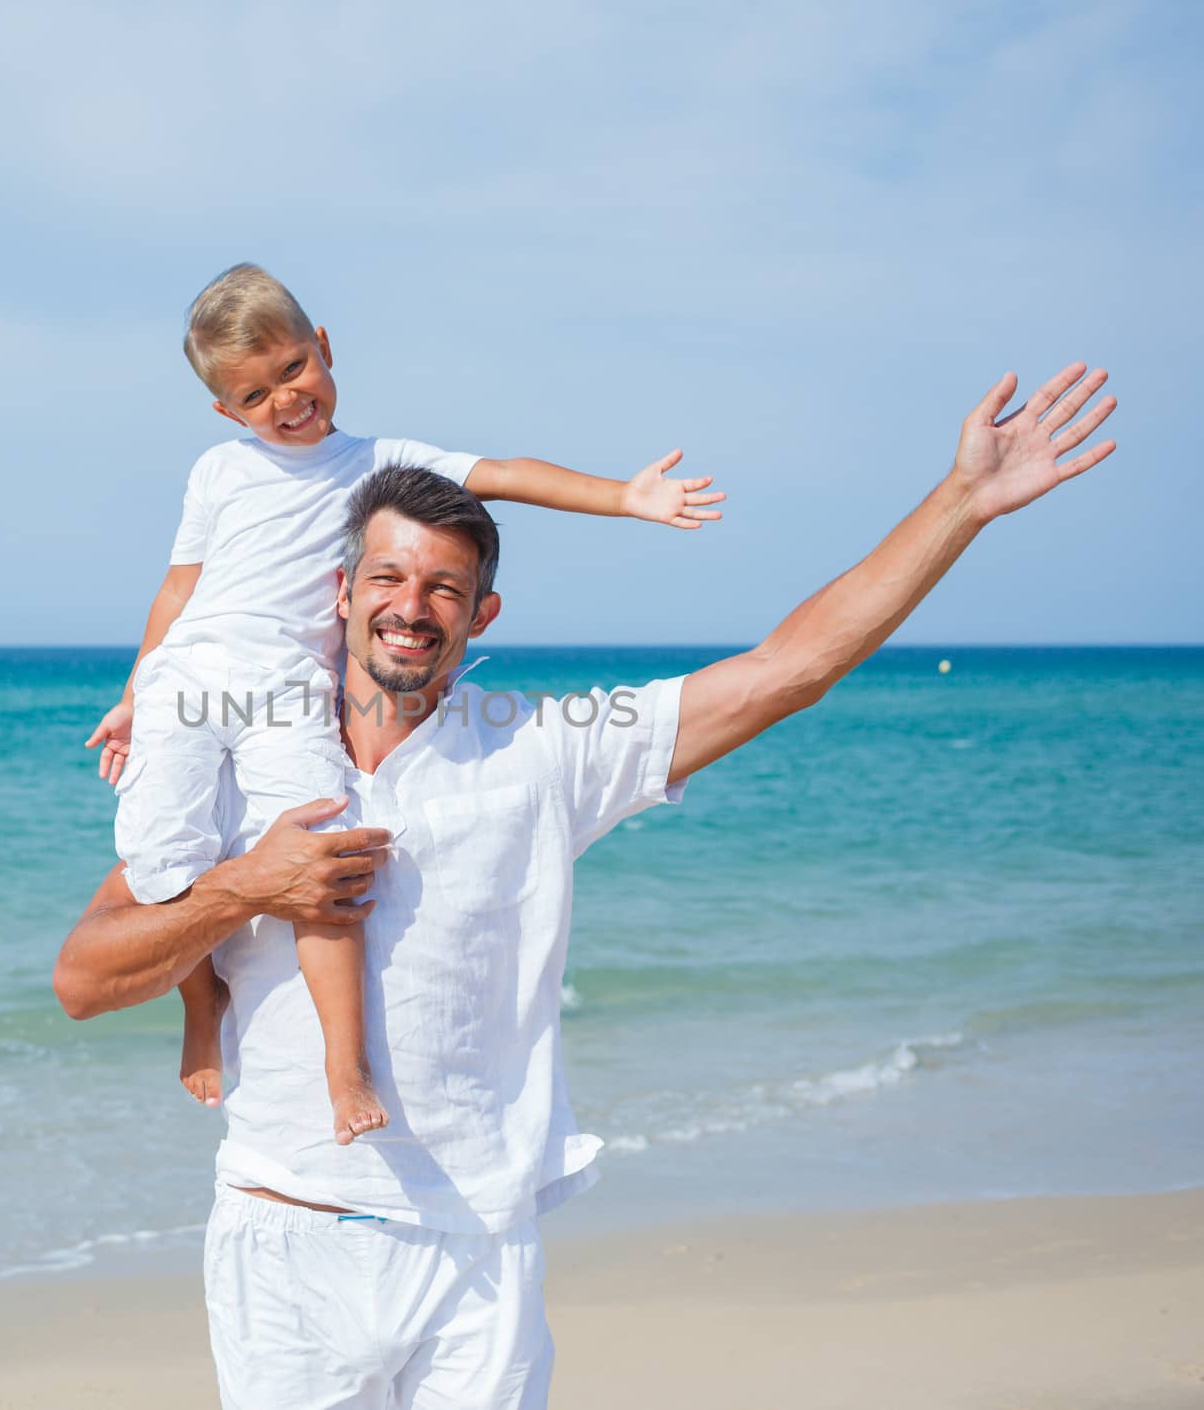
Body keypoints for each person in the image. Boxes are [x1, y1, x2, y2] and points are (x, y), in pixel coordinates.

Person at [54, 362, 1115, 1407]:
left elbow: (786, 669)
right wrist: (248, 885)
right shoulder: (243, 751)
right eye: (385, 577)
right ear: (339, 593)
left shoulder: (543, 750)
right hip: (283, 1232)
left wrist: (962, 502)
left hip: (477, 1244)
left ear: (483, 614)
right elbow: (84, 979)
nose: (409, 606)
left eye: (443, 588)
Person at [81, 263, 725, 1143]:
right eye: (256, 393)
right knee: (164, 858)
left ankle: (345, 1070)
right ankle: (203, 1000)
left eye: (296, 369)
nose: (285, 400)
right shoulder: (219, 471)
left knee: (318, 866)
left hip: (286, 695)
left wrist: (624, 498)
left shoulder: (380, 464)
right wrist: (136, 695)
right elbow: (177, 590)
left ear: (326, 349)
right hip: (186, 681)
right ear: (228, 412)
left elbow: (503, 472)